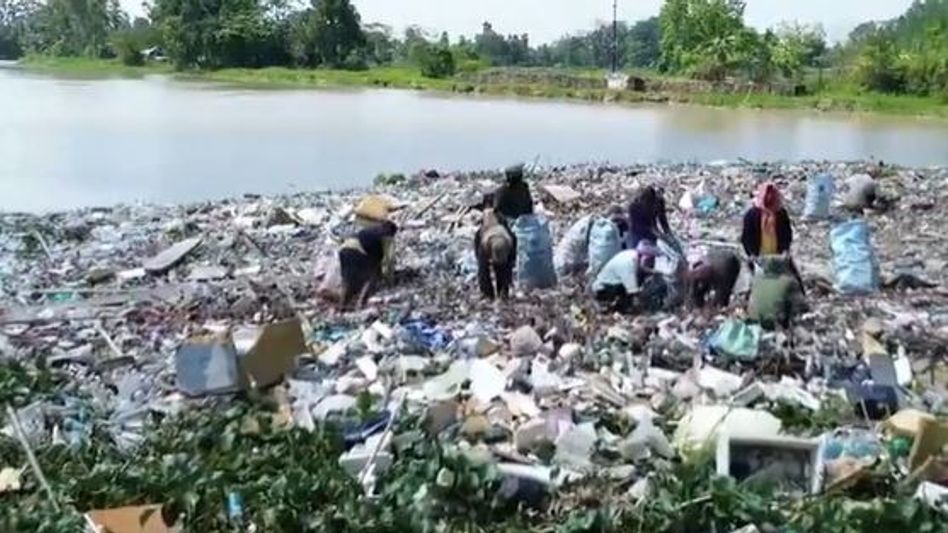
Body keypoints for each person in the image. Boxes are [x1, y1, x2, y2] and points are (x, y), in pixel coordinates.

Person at [741, 181, 805, 293]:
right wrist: (751, 254)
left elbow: (787, 234)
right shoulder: (752, 215)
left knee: (794, 278)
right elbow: (746, 238)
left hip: (778, 253)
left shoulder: (781, 214)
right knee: (758, 282)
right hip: (759, 255)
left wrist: (785, 250)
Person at [338, 221, 398, 309]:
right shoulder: (385, 237)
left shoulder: (372, 229)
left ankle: (341, 306)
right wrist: (389, 280)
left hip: (344, 248)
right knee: (370, 277)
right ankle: (360, 304)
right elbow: (388, 260)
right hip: (355, 251)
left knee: (347, 279)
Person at [592, 241, 659, 313]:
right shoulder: (628, 263)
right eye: (650, 259)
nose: (651, 262)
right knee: (632, 297)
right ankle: (610, 305)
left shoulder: (633, 255)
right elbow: (632, 290)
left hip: (614, 283)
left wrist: (655, 272)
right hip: (604, 287)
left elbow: (643, 268)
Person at [747, 256, 807, 331]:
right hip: (778, 325)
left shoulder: (756, 281)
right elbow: (803, 307)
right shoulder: (789, 282)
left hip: (755, 323)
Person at [475, 205, 517, 300]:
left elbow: (509, 266)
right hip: (487, 237)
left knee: (502, 269)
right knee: (483, 269)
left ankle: (502, 293)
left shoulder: (510, 241)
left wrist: (504, 289)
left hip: (501, 236)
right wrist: (488, 293)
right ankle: (488, 295)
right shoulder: (484, 242)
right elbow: (483, 271)